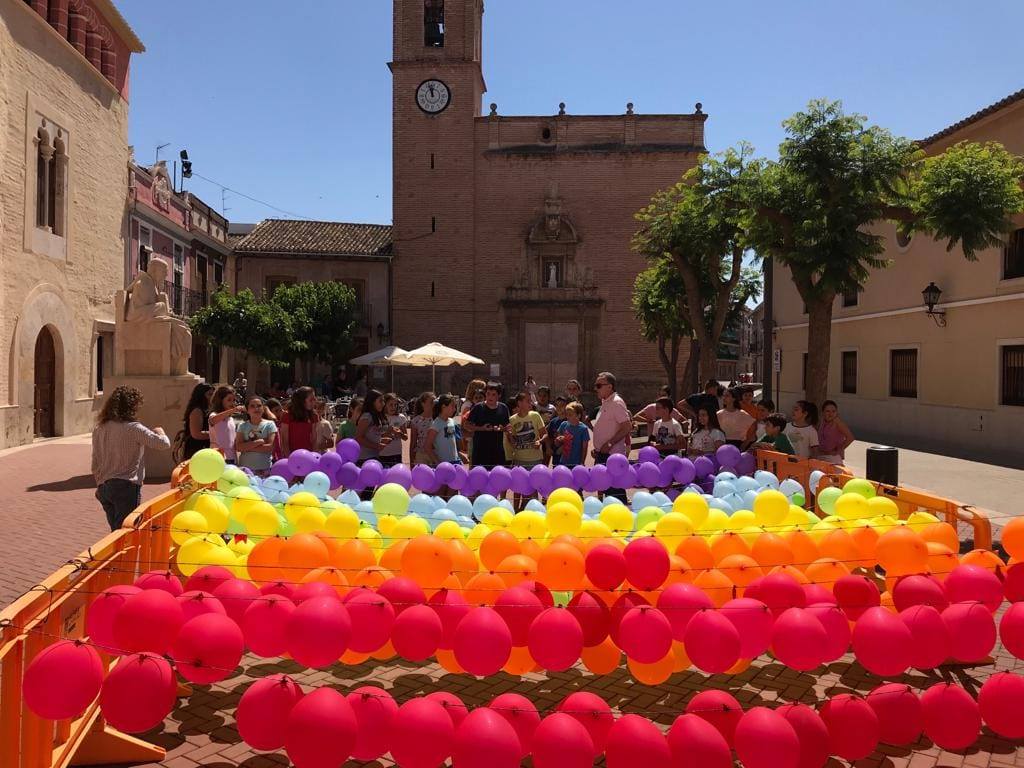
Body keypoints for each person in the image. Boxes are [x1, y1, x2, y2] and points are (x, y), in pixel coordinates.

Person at [92, 386, 170, 530]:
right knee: (126, 532)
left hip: (105, 486)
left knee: (116, 531)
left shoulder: (99, 428)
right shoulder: (134, 428)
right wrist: (161, 432)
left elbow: (95, 461)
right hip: (125, 485)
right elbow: (163, 444)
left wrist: (99, 484)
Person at [591, 372, 632, 502]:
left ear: (609, 386)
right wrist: (598, 448)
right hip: (603, 454)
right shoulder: (606, 402)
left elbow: (627, 427)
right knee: (607, 490)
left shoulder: (616, 402)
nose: (595, 388)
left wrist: (608, 444)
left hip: (612, 456)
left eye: (599, 385)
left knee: (615, 493)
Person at [464, 381, 510, 468]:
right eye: (488, 394)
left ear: (499, 395)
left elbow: (507, 427)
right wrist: (481, 428)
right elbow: (466, 425)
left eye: (493, 394)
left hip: (497, 452)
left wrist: (501, 429)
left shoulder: (503, 408)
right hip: (480, 452)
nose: (490, 397)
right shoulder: (478, 407)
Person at [235, 395, 278, 475]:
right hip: (245, 469)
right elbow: (238, 447)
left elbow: (270, 447)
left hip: (264, 468)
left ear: (263, 409)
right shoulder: (242, 426)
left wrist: (247, 447)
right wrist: (259, 442)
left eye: (259, 406)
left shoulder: (270, 425)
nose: (256, 408)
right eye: (252, 406)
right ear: (247, 410)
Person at [505, 392, 546, 469]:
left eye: (531, 401)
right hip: (518, 460)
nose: (531, 403)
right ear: (519, 403)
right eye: (528, 401)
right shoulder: (511, 420)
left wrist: (540, 441)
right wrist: (509, 435)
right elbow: (513, 443)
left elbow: (545, 434)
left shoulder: (536, 415)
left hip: (535, 459)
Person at [209, 385, 243, 464]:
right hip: (217, 456)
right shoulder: (213, 415)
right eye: (229, 400)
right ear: (220, 400)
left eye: (234, 400)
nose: (232, 403)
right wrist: (234, 410)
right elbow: (213, 420)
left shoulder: (230, 419)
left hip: (231, 457)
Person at [180, 382, 213, 461]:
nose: (212, 397)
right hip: (196, 449)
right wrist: (215, 434)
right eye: (209, 394)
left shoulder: (208, 409)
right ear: (201, 395)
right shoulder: (197, 411)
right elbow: (196, 434)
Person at [425, 394, 461, 466]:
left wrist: (459, 456)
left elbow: (452, 443)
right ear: (443, 406)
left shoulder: (452, 421)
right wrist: (438, 463)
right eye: (452, 406)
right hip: (444, 465)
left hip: (455, 462)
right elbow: (427, 446)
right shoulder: (436, 424)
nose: (454, 409)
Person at [281, 386, 316, 456]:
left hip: (308, 455)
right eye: (311, 399)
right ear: (302, 401)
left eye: (314, 398)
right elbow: (284, 441)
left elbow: (314, 439)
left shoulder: (314, 415)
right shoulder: (287, 415)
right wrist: (288, 458)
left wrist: (313, 455)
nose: (315, 401)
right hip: (292, 455)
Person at [817, 400, 854, 464]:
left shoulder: (837, 422)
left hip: (833, 458)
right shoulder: (822, 422)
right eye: (827, 411)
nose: (830, 414)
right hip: (821, 456)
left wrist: (838, 450)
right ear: (823, 412)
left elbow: (850, 438)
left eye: (833, 411)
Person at [555, 401, 590, 468]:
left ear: (578, 415)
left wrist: (582, 462)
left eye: (570, 415)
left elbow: (584, 448)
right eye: (567, 414)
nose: (567, 417)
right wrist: (559, 440)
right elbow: (557, 443)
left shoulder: (583, 429)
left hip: (576, 463)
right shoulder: (563, 425)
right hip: (563, 461)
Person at [378, 392, 409, 467]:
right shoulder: (380, 417)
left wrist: (400, 433)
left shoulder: (401, 417)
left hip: (397, 453)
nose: (393, 407)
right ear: (384, 405)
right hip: (383, 453)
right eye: (391, 405)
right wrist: (388, 432)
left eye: (395, 405)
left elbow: (405, 437)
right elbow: (376, 437)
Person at [409, 392, 436, 465]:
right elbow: (413, 442)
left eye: (435, 401)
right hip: (421, 454)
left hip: (435, 453)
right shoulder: (415, 421)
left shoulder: (438, 419)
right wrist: (411, 460)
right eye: (431, 402)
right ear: (423, 403)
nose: (434, 404)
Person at [547, 395, 568, 465]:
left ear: (566, 406)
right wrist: (549, 447)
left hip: (568, 457)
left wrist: (563, 447)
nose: (559, 408)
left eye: (562, 405)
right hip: (556, 456)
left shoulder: (570, 421)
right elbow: (549, 436)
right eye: (557, 405)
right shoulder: (553, 421)